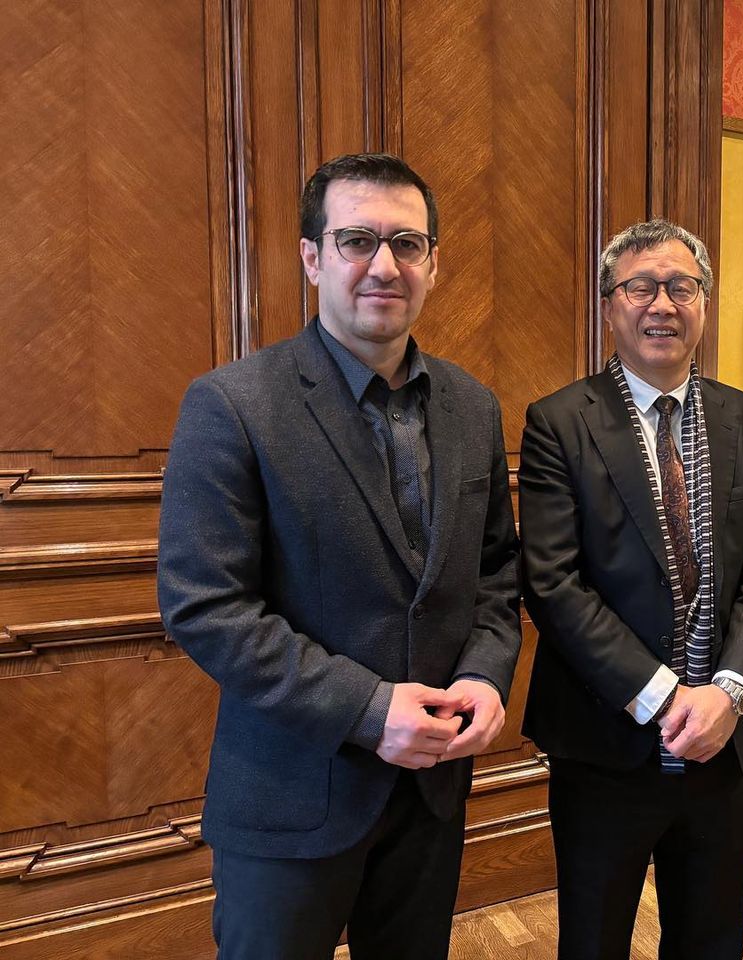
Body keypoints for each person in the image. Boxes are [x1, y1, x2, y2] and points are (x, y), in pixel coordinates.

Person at [157, 152, 522, 959]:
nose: (385, 265)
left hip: (430, 792)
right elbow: (205, 606)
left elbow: (496, 574)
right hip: (291, 794)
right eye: (357, 240)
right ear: (312, 256)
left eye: (408, 244)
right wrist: (368, 710)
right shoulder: (232, 404)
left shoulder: (473, 406)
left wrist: (484, 676)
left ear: (433, 263)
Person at [519, 218, 743, 959]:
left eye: (681, 287)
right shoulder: (558, 422)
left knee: (712, 941)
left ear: (704, 302)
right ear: (610, 305)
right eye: (641, 287)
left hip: (723, 747)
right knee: (594, 941)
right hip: (605, 744)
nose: (662, 304)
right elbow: (553, 582)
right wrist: (666, 697)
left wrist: (729, 692)